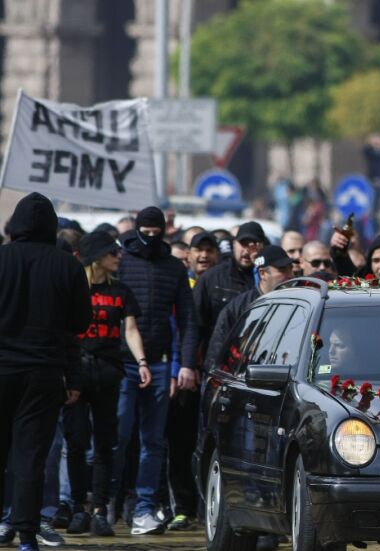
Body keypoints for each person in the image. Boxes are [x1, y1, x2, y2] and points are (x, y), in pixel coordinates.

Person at [0, 193, 91, 551]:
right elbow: (80, 322)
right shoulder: (66, 264)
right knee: (31, 456)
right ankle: (26, 535)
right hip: (43, 372)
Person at [114, 206, 199, 536]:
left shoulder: (173, 268)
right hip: (122, 362)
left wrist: (186, 365)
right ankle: (108, 502)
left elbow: (188, 319)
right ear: (136, 230)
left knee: (153, 442)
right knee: (118, 439)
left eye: (156, 232)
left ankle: (144, 508)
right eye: (145, 231)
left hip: (162, 363)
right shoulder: (122, 262)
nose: (150, 238)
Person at [64, 231, 150, 538]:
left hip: (108, 373)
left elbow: (130, 330)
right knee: (75, 442)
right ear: (98, 257)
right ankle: (77, 507)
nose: (119, 257)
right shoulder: (74, 291)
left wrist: (141, 362)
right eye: (113, 253)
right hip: (75, 374)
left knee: (105, 444)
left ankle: (100, 510)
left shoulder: (121, 291)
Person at [206, 246, 296, 369]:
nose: (290, 275)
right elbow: (216, 354)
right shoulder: (240, 308)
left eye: (291, 269)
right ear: (263, 273)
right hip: (245, 382)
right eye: (282, 270)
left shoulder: (298, 306)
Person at [194, 221, 266, 354]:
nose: (247, 250)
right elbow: (195, 325)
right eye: (243, 244)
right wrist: (190, 365)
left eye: (254, 245)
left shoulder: (268, 280)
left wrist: (259, 270)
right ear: (234, 244)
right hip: (217, 358)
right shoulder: (212, 278)